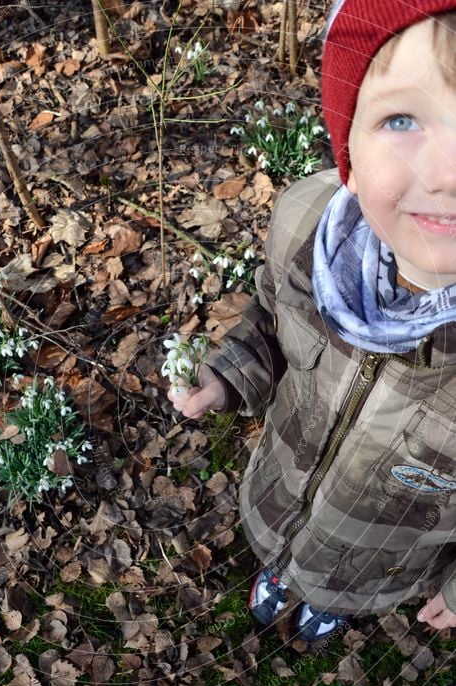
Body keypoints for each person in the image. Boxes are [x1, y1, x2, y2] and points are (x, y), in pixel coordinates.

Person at [167, 0, 456, 641]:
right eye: (403, 118)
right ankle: (281, 573)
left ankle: (330, 602)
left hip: (380, 562)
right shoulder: (306, 228)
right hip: (280, 492)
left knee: (339, 588)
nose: (446, 174)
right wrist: (226, 376)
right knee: (285, 556)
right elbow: (271, 319)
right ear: (348, 138)